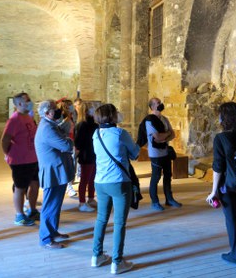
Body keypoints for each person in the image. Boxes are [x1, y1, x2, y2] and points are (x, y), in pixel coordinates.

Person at [206, 75, 236, 267]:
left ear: (223, 118)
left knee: (230, 219)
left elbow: (218, 167)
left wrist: (213, 191)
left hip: (228, 184)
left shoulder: (220, 138)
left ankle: (235, 255)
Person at [91, 104, 140, 275]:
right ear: (111, 116)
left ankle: (96, 256)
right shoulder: (120, 133)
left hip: (100, 182)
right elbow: (135, 153)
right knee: (119, 223)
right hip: (119, 182)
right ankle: (117, 262)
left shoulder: (95, 134)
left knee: (101, 219)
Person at [35, 100, 75, 249]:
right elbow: (65, 145)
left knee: (55, 204)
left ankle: (53, 232)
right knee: (50, 205)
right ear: (46, 113)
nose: (57, 110)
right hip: (53, 172)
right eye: (54, 109)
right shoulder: (47, 128)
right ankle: (46, 239)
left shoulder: (50, 125)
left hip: (57, 170)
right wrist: (69, 140)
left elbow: (61, 135)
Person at [1, 92, 40, 226]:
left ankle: (33, 210)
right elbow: (5, 139)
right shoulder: (15, 119)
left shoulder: (27, 117)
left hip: (33, 158)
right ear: (19, 104)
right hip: (20, 160)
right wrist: (8, 153)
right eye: (27, 100)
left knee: (35, 184)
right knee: (20, 187)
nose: (30, 102)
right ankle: (19, 215)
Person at [145, 98, 182, 211]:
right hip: (155, 153)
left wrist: (164, 136)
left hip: (165, 151)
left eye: (160, 102)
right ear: (152, 107)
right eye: (157, 103)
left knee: (167, 176)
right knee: (156, 177)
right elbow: (158, 137)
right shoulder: (149, 121)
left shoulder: (164, 119)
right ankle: (155, 202)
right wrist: (165, 135)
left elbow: (173, 134)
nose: (160, 104)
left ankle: (169, 199)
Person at [74, 102, 98, 212]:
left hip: (94, 154)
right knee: (84, 179)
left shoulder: (94, 124)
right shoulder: (82, 124)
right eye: (92, 109)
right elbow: (78, 142)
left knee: (92, 178)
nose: (94, 110)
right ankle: (82, 202)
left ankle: (91, 198)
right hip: (86, 155)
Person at [57, 98, 77, 197]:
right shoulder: (61, 115)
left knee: (72, 164)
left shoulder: (73, 115)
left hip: (72, 142)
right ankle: (68, 186)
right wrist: (67, 119)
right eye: (69, 105)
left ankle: (69, 185)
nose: (71, 106)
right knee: (65, 165)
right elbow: (58, 128)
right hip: (63, 143)